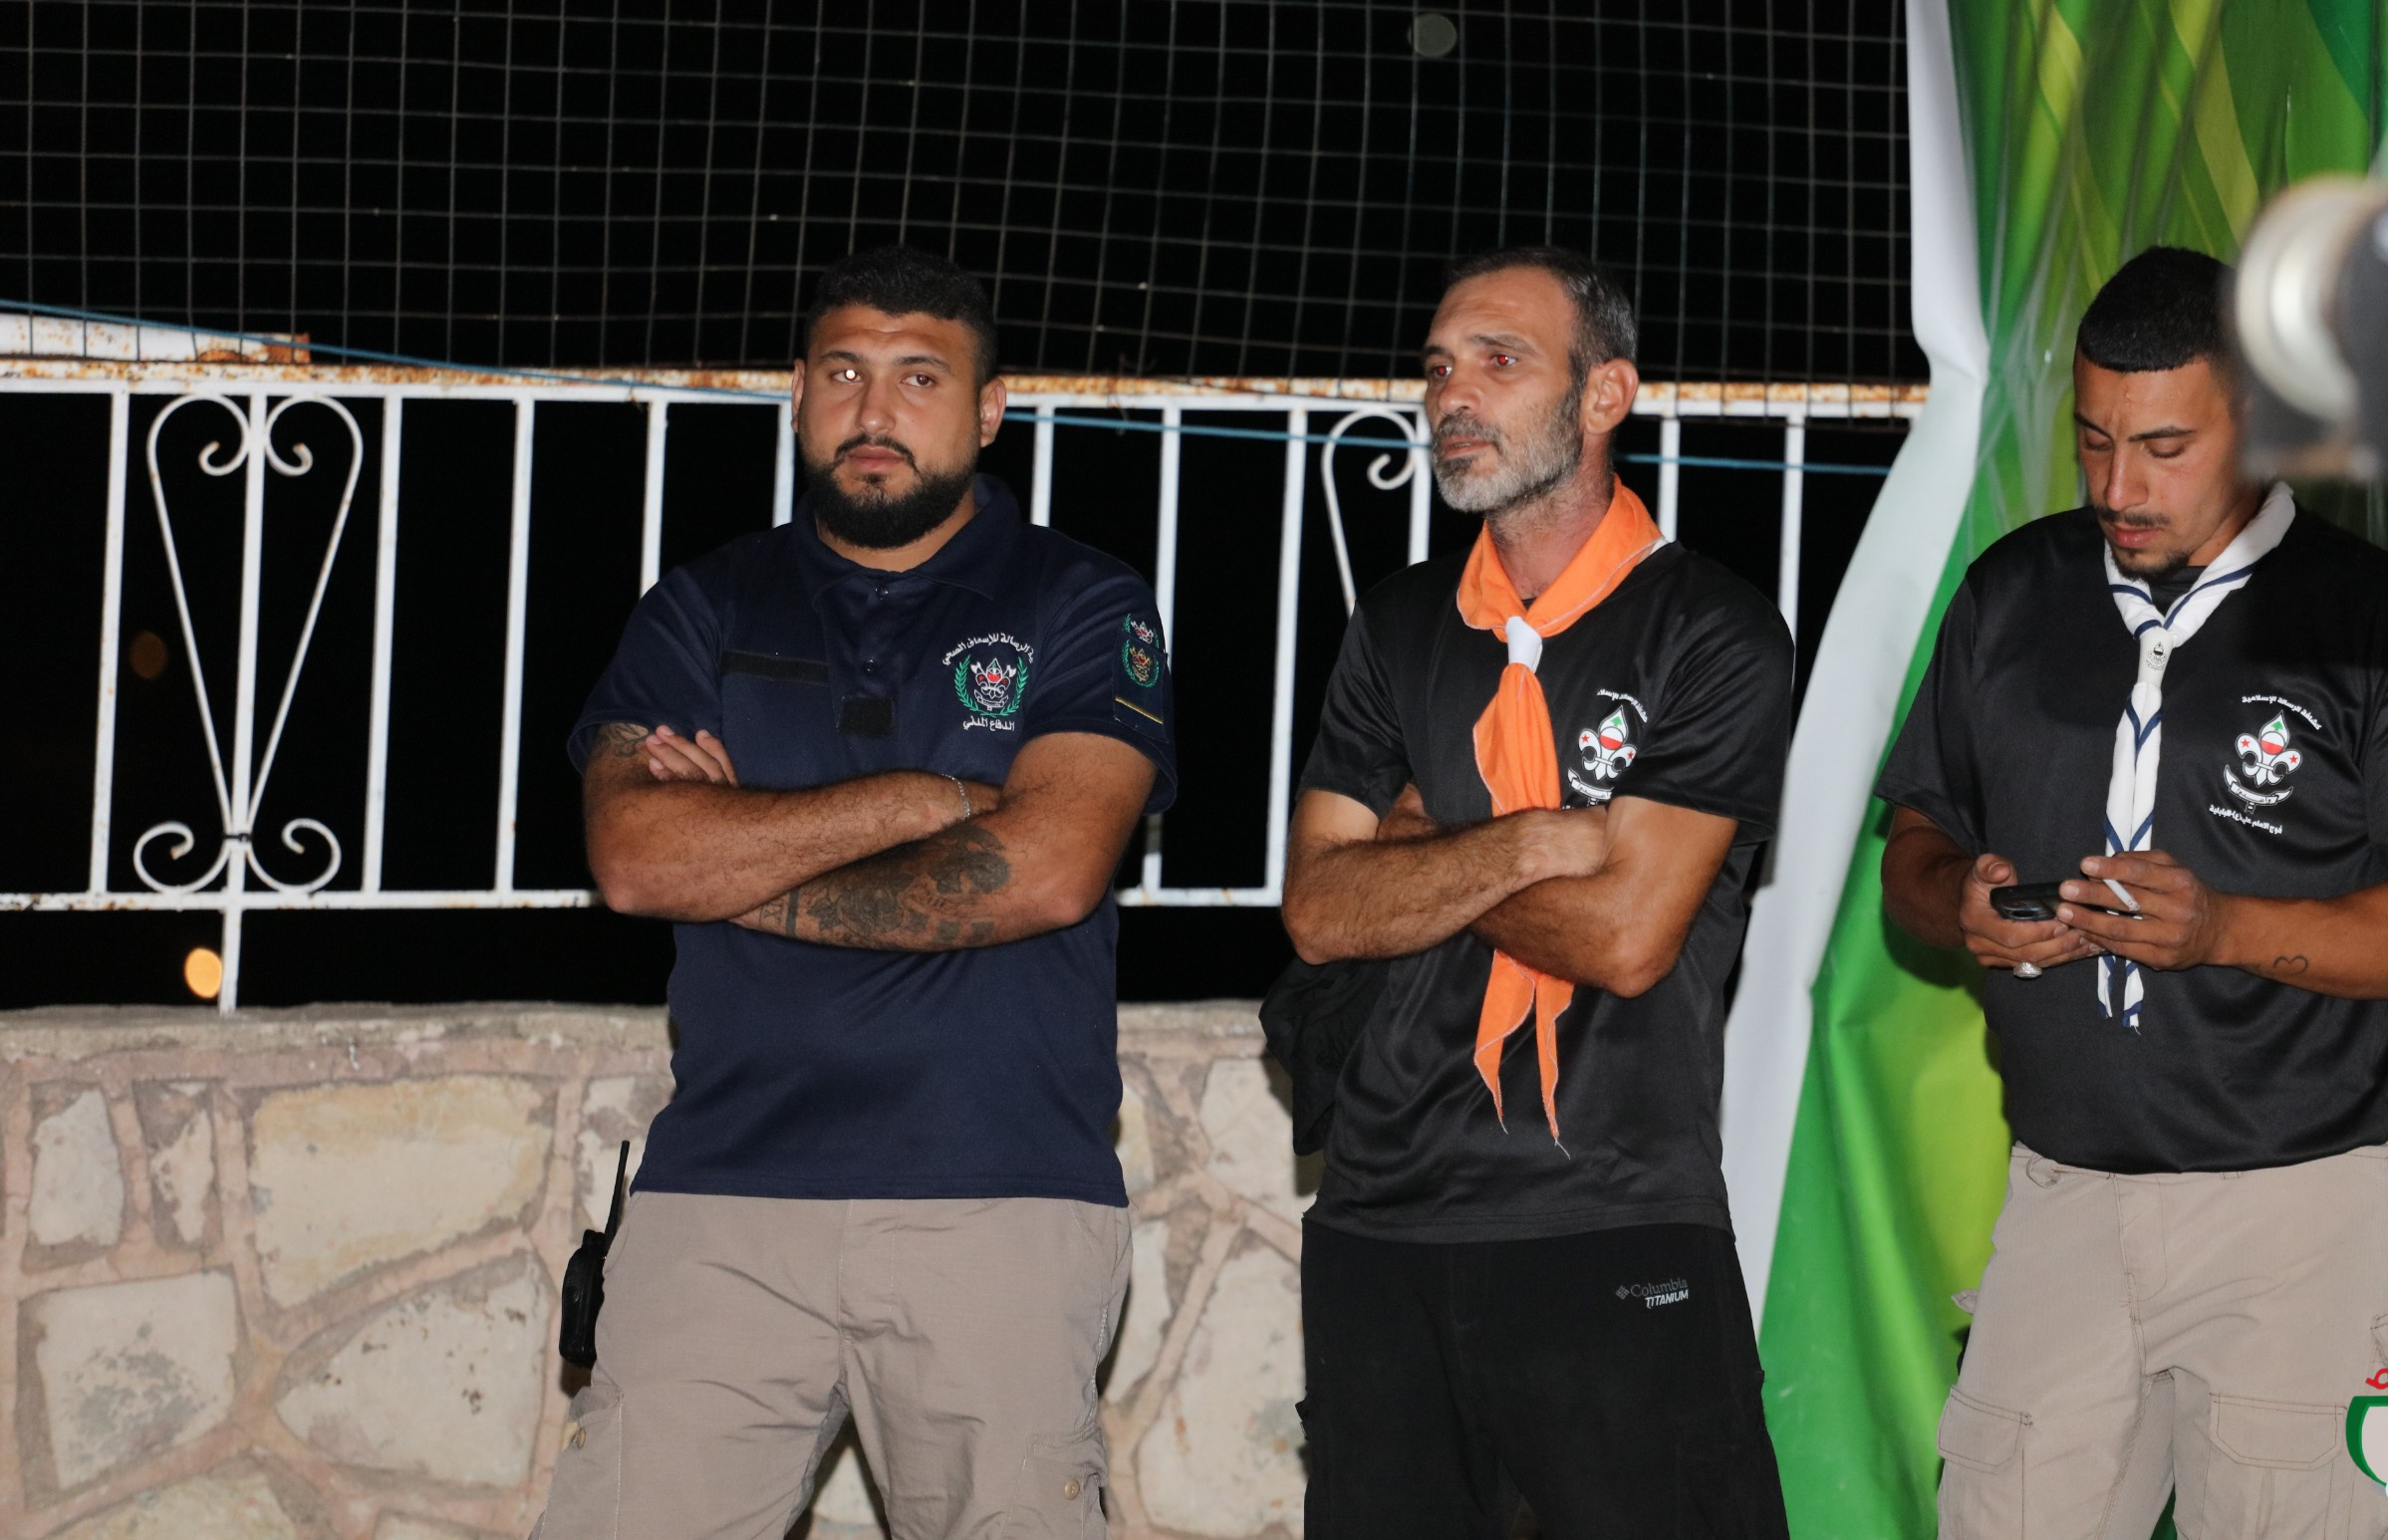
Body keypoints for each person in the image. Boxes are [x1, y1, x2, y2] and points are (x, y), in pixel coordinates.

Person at [534, 245, 1176, 1540]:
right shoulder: (702, 603)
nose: (873, 409)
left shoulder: (1082, 598)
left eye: (918, 377)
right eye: (842, 373)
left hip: (997, 1198)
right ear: (796, 393)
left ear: (988, 410)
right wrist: (923, 799)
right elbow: (637, 858)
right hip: (718, 1199)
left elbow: (1048, 871)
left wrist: (737, 860)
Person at [1875, 247, 2388, 1540]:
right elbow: (1917, 842)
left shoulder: (2379, 624)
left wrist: (2222, 928)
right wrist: (1958, 902)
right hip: (2059, 1197)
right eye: (2092, 439)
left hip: (2292, 1219)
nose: (2117, 486)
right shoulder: (2009, 593)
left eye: (2163, 446)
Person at [1276, 246, 1795, 1540]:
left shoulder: (1712, 629)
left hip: (1610, 1211)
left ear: (1603, 392)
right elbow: (1319, 909)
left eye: (1497, 361)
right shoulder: (1397, 624)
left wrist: (1417, 846)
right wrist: (1524, 844)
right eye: (1437, 366)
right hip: (1380, 1221)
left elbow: (1624, 938)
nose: (1451, 395)